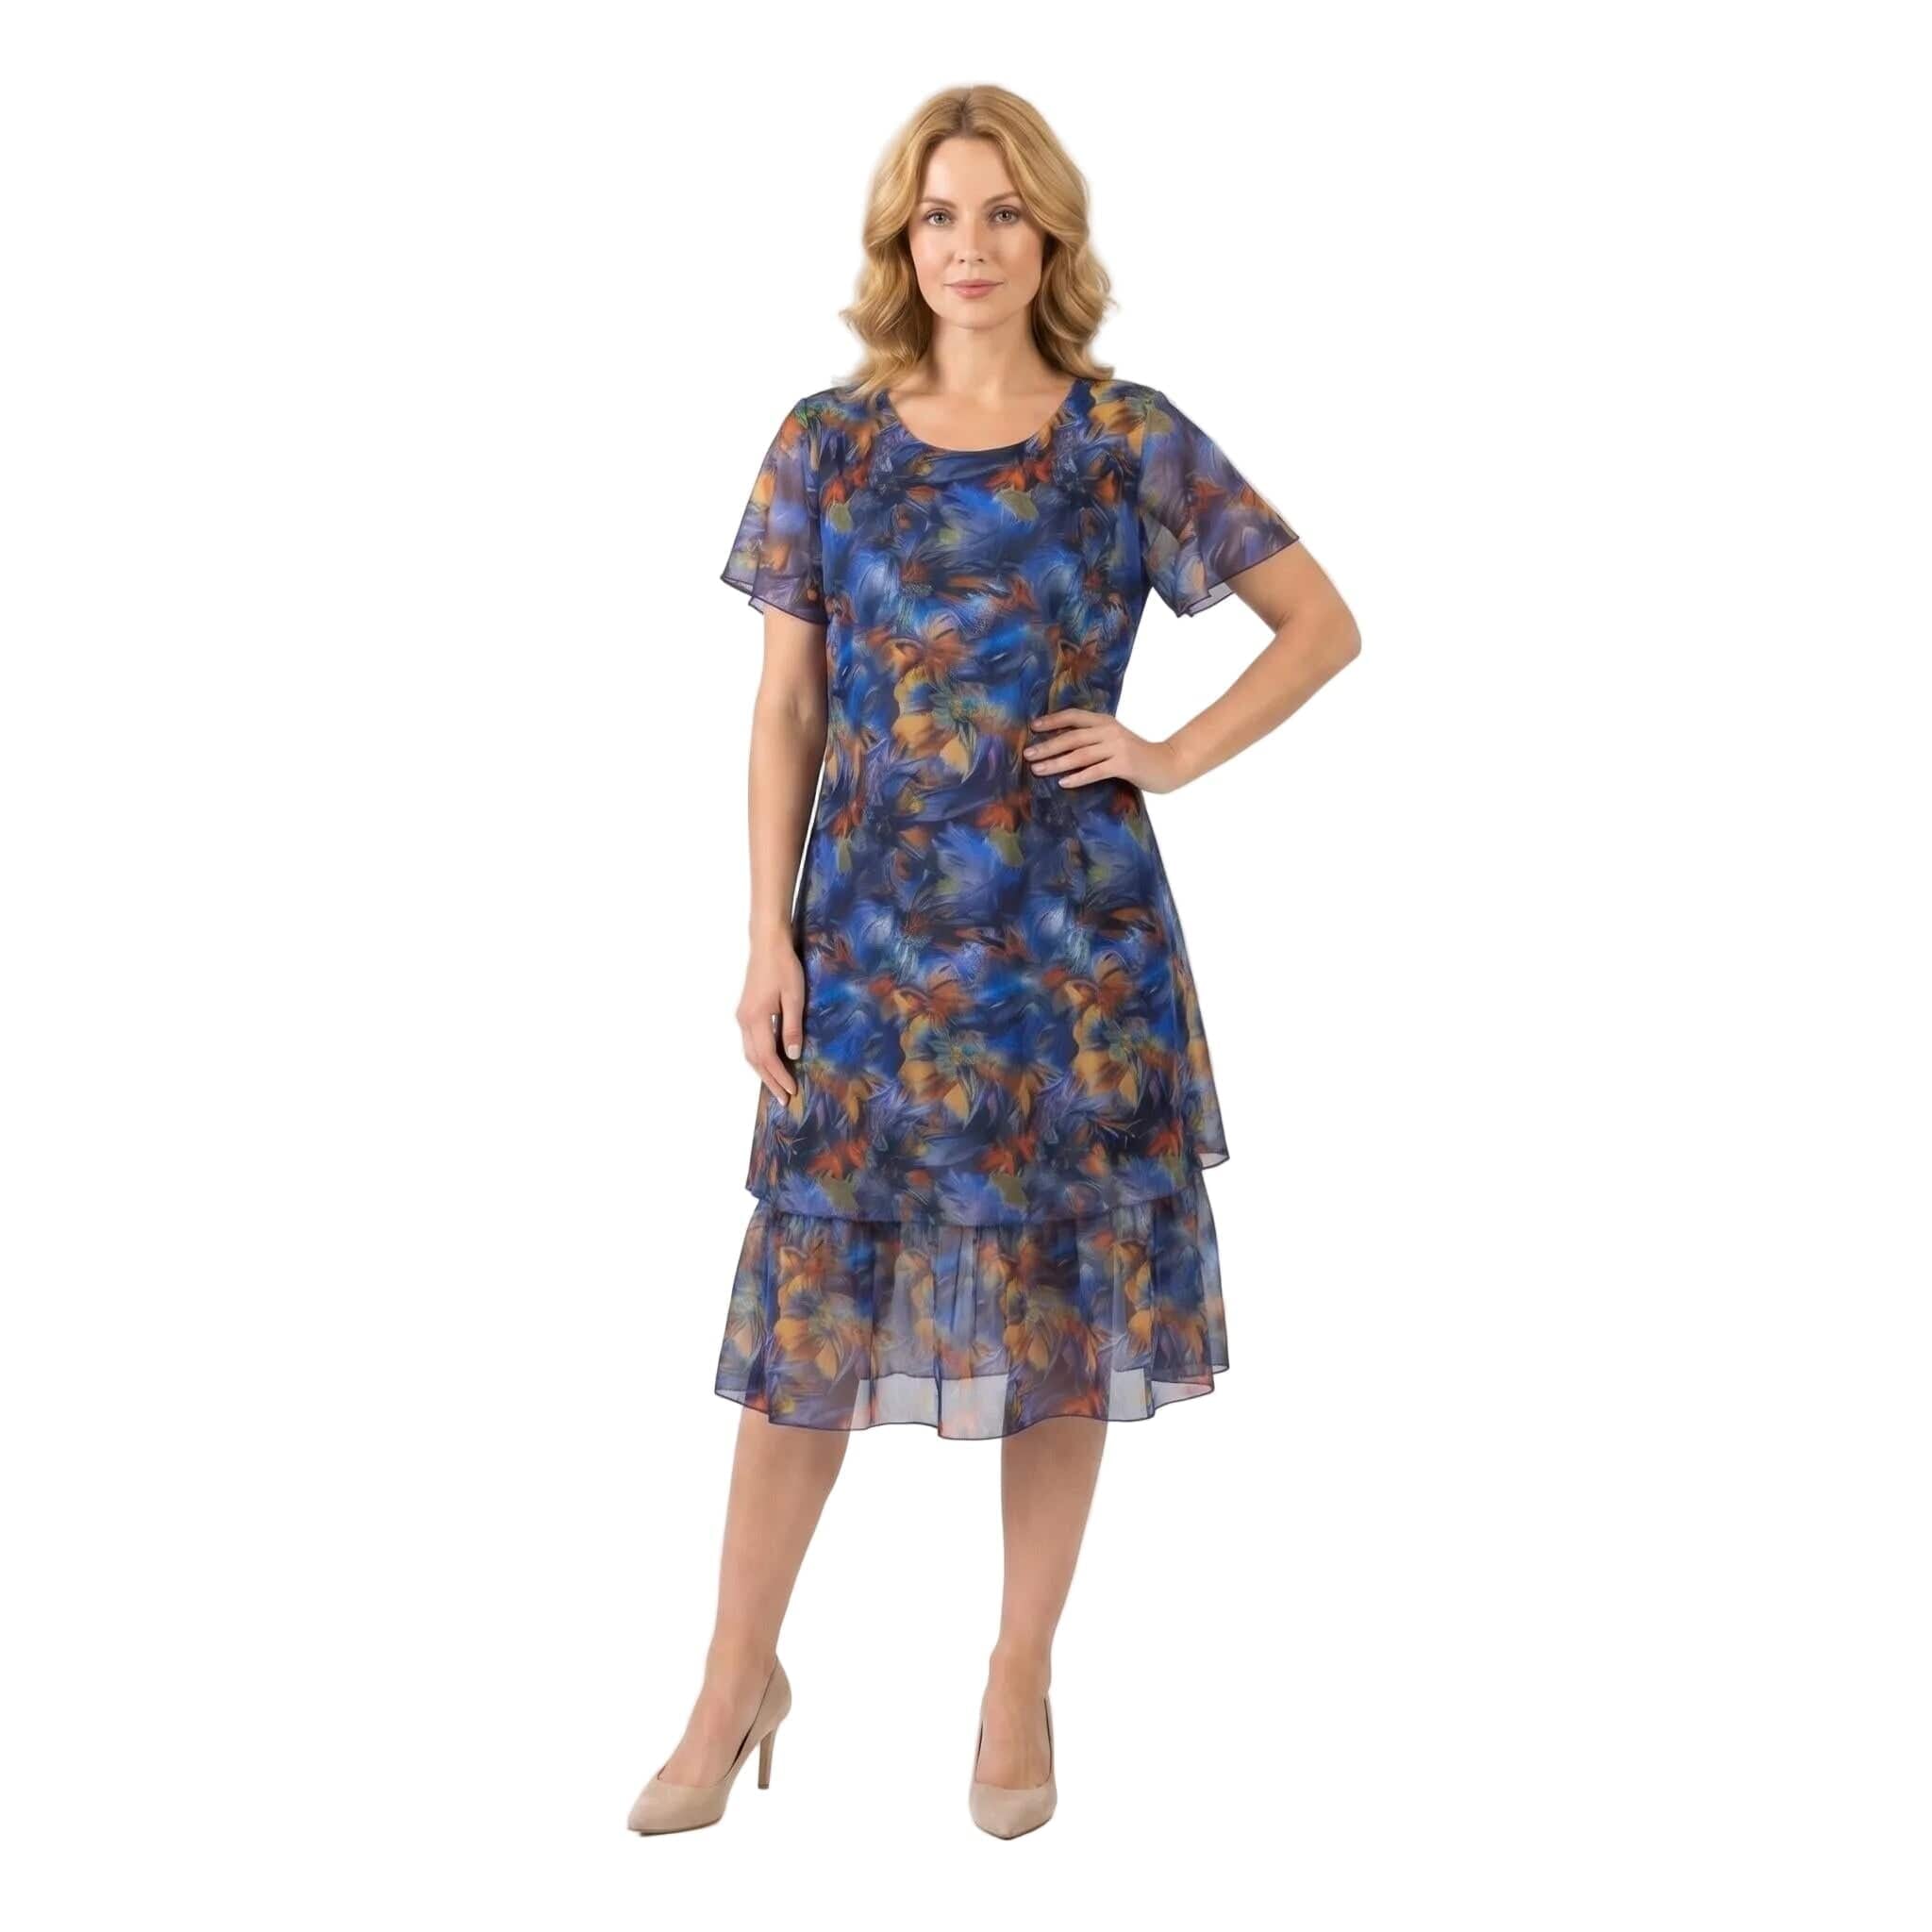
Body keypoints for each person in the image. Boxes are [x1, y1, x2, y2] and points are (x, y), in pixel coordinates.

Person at [629, 82, 1360, 1841]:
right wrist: (764, 935)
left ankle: (1019, 1671)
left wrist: (1169, 753)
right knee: (811, 1304)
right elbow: (788, 707)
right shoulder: (827, 442)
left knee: (1056, 1309)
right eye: (941, 215)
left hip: (1069, 948)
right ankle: (733, 1680)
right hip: (869, 940)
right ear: (904, 240)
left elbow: (1321, 622)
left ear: (1051, 237)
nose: (970, 246)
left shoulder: (1123, 437)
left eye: (1004, 214)